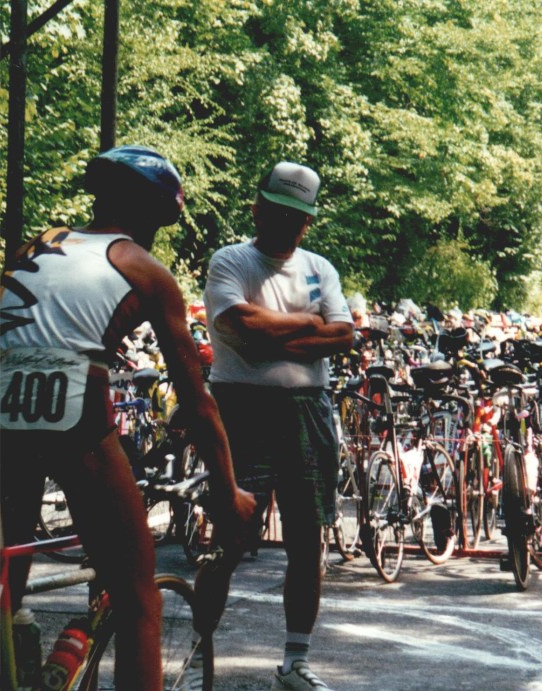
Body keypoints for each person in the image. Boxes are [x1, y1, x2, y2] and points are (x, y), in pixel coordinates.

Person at [0, 145, 256, 689]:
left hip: (2, 416)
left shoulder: (34, 245)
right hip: (77, 419)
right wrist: (228, 491)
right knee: (138, 599)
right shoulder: (144, 268)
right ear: (151, 213)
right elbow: (196, 400)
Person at [202, 161, 354, 691]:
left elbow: (343, 336)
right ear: (257, 209)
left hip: (308, 408)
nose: (288, 224)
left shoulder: (320, 267)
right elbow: (240, 326)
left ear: (307, 222)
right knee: (231, 537)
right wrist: (311, 325)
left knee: (307, 540)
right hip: (242, 407)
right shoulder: (231, 260)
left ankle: (295, 661)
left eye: (298, 216)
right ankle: (199, 649)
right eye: (279, 212)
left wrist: (271, 336)